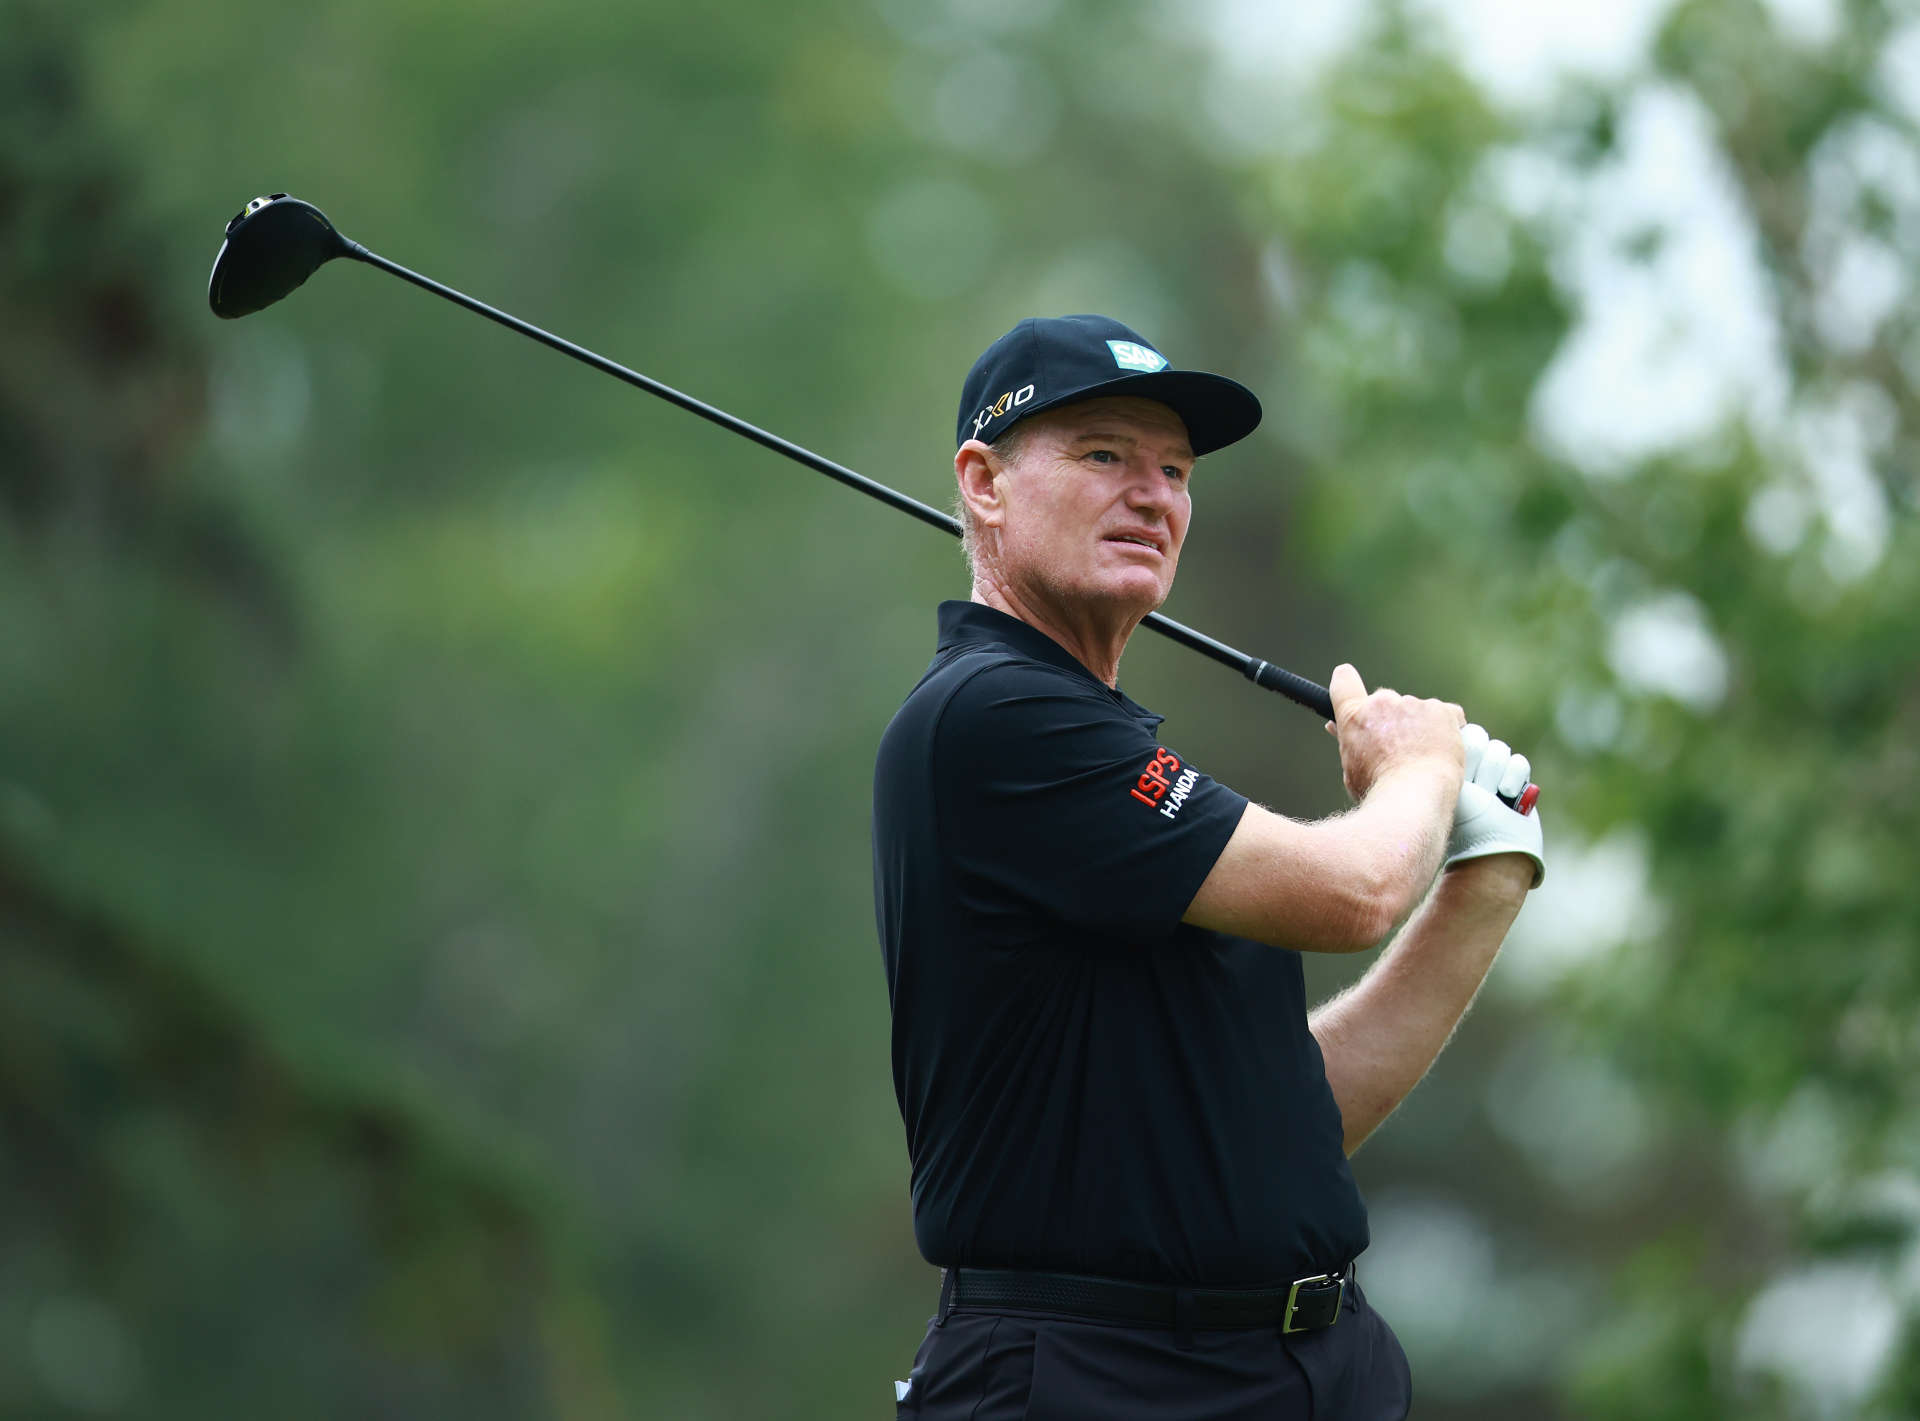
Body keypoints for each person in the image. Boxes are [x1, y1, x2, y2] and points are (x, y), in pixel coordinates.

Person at [873, 315, 1545, 1420]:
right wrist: (1419, 771)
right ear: (983, 482)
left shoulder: (1110, 745)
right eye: (1104, 455)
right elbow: (1356, 891)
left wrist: (1488, 870)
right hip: (1099, 1377)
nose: (1154, 495)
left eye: (1175, 469)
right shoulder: (995, 714)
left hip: (1306, 1367)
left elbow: (1287, 1115)